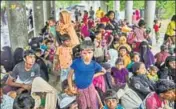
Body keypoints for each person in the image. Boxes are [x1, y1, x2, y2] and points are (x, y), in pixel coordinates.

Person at [67, 40, 106, 109]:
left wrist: (93, 76)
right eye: (84, 53)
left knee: (93, 104)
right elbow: (69, 76)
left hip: (90, 87)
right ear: (80, 53)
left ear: (93, 53)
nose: (87, 55)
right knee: (82, 105)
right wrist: (70, 87)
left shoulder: (94, 64)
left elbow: (104, 71)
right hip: (80, 89)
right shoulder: (76, 62)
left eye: (89, 53)